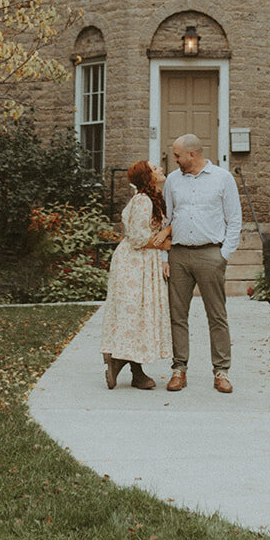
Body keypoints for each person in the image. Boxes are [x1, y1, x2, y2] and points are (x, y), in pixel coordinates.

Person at [163, 133, 242, 394]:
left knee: (217, 315)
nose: (174, 160)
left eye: (177, 156)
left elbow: (234, 219)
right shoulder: (173, 180)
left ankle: (221, 371)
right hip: (179, 254)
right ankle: (179, 370)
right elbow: (167, 220)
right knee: (177, 315)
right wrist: (165, 257)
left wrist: (224, 255)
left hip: (211, 254)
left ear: (192, 154)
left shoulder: (223, 178)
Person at [101, 160, 173, 390]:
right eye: (155, 169)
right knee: (137, 313)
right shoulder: (143, 201)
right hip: (135, 263)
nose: (160, 169)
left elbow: (160, 226)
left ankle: (131, 368)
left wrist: (165, 232)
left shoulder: (152, 198)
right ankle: (127, 366)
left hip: (142, 260)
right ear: (147, 177)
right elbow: (138, 238)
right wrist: (167, 245)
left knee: (140, 315)